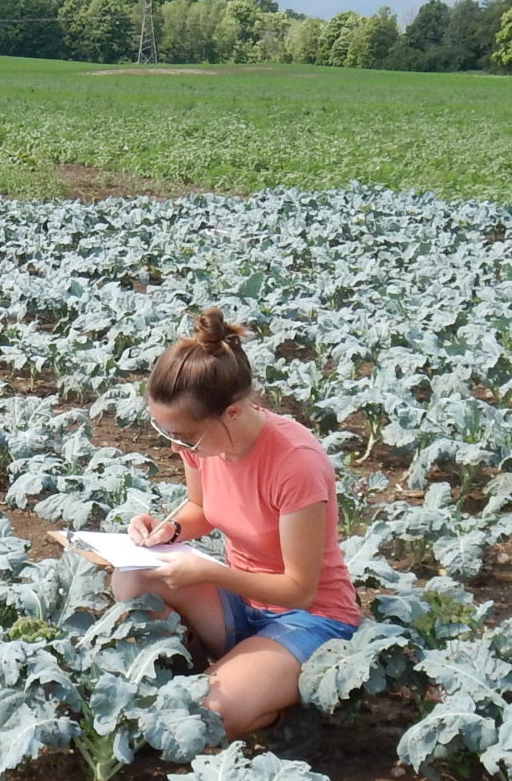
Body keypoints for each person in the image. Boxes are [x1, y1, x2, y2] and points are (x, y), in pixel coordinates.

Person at [112, 308, 361, 740]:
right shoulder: (202, 442)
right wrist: (165, 530)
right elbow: (201, 507)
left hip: (309, 617)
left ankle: (273, 700)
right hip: (241, 603)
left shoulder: (294, 463)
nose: (178, 446)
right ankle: (227, 665)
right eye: (169, 434)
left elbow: (299, 588)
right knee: (130, 580)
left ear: (232, 413)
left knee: (210, 715)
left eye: (185, 437)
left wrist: (210, 571)